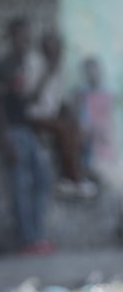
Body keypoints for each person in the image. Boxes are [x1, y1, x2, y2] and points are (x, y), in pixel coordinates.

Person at [0, 17, 54, 254]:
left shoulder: (30, 65)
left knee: (42, 181)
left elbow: (30, 99)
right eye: (20, 35)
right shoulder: (3, 66)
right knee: (20, 185)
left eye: (27, 35)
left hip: (29, 129)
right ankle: (27, 240)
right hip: (13, 131)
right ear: (11, 37)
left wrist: (48, 71)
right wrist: (4, 135)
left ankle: (38, 236)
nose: (25, 40)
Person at [28, 32, 98, 199]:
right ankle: (77, 178)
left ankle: (68, 179)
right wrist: (47, 73)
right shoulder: (35, 63)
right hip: (35, 115)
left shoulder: (62, 68)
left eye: (56, 47)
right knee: (65, 129)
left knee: (73, 128)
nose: (53, 51)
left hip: (51, 115)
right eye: (49, 47)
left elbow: (60, 100)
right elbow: (31, 98)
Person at [76, 57, 116, 170]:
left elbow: (109, 119)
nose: (92, 74)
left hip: (105, 139)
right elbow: (83, 119)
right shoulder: (82, 94)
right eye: (89, 71)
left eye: (95, 70)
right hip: (88, 138)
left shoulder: (108, 94)